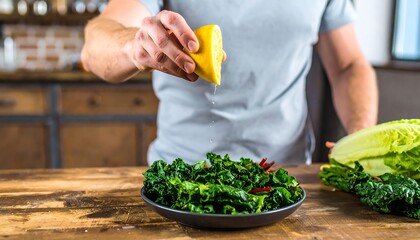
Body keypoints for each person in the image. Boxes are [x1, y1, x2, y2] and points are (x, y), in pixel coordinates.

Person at [81, 0, 378, 165]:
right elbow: (95, 47)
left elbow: (348, 65)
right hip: (182, 176)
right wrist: (135, 46)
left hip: (287, 176)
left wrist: (363, 138)